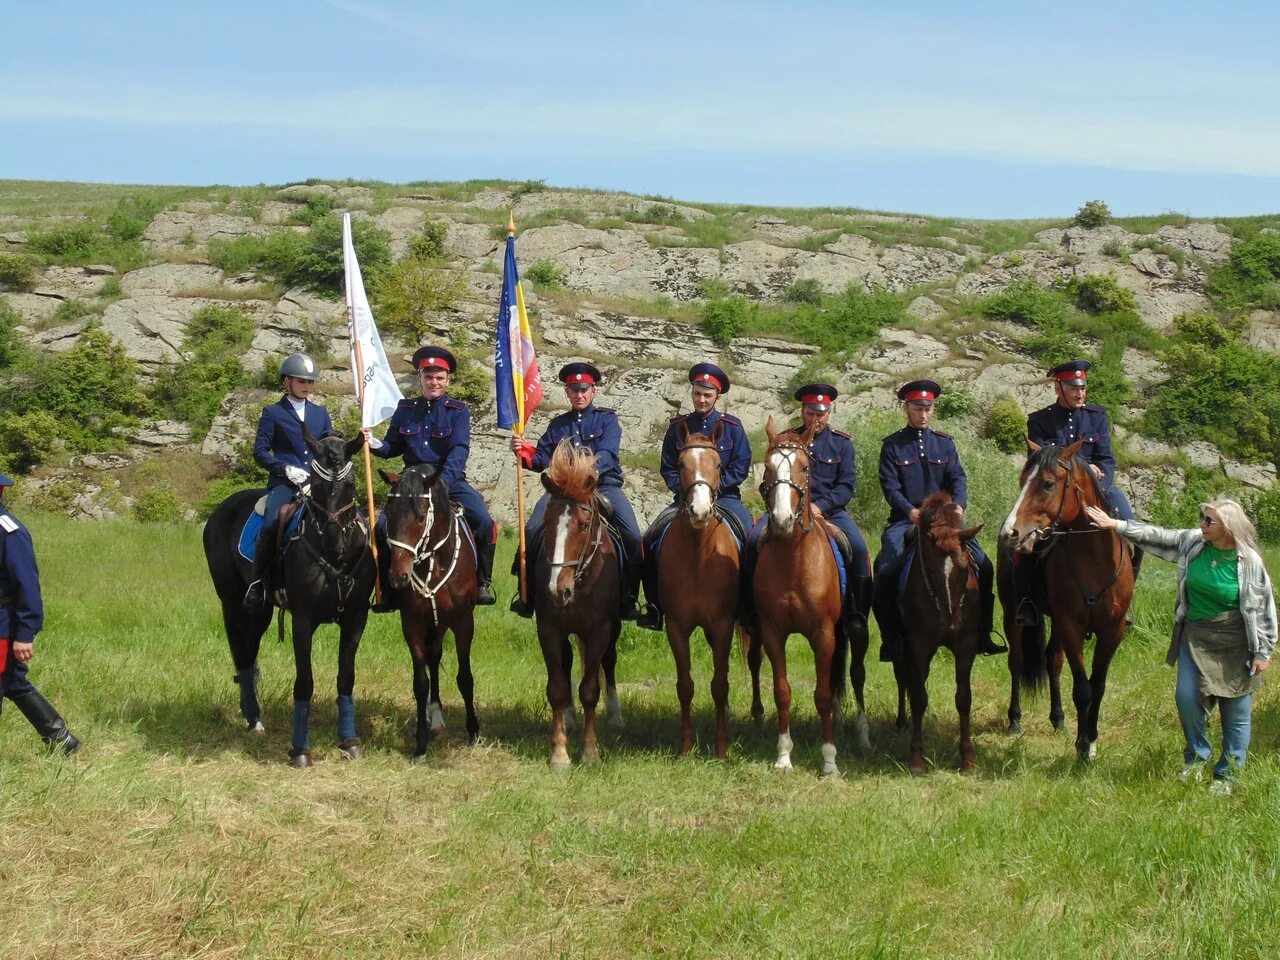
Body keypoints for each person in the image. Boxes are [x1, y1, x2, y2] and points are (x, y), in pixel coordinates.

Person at [1086, 499, 1274, 795]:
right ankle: (1197, 757)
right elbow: (1158, 536)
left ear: (1228, 527)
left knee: (1235, 710)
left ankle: (1228, 775)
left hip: (1236, 640)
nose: (1202, 524)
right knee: (1186, 697)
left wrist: (1263, 651)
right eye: (1202, 517)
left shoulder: (1249, 561)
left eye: (1209, 520)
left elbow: (1264, 607)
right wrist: (1116, 525)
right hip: (1195, 636)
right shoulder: (1193, 543)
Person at [873, 379, 1004, 661]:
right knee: (886, 569)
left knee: (984, 565)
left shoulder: (945, 444)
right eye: (917, 409)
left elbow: (958, 478)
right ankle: (891, 637)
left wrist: (959, 507)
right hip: (907, 521)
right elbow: (890, 486)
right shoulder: (893, 446)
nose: (923, 414)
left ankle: (984, 631)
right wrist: (910, 511)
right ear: (906, 408)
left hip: (947, 522)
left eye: (928, 409)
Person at [508, 362, 643, 619]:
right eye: (574, 390)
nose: (579, 395)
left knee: (633, 536)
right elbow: (540, 459)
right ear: (567, 392)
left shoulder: (607, 420)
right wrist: (522, 450)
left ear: (593, 391)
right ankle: (527, 595)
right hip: (562, 492)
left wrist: (584, 474)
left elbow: (607, 455)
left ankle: (629, 597)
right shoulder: (558, 425)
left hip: (602, 486)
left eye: (584, 390)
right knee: (532, 529)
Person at [365, 345, 498, 606]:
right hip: (411, 481)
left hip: (446, 479)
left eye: (439, 377)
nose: (433, 382)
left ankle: (482, 582)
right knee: (381, 527)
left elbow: (459, 451)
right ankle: (387, 590)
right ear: (420, 378)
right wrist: (374, 443)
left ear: (447, 380)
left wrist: (442, 484)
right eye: (428, 377)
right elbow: (392, 447)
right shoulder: (405, 408)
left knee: (483, 521)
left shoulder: (458, 411)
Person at [1015, 358, 1141, 625]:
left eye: (1082, 387)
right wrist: (1083, 468)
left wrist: (1097, 482)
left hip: (1097, 491)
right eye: (1073, 388)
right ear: (1058, 388)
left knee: (1134, 532)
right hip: (1054, 494)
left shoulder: (1096, 416)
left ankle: (1124, 598)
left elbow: (1106, 459)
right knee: (1026, 540)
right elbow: (1039, 463)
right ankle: (1028, 600)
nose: (1080, 393)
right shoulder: (1040, 421)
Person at [744, 383, 872, 629]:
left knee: (857, 547)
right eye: (811, 413)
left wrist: (819, 507)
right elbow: (766, 482)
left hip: (831, 512)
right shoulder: (785, 440)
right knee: (751, 542)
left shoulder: (841, 444)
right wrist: (775, 502)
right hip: (786, 509)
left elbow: (846, 486)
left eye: (821, 414)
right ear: (802, 411)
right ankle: (750, 609)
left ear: (829, 413)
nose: (815, 419)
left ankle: (857, 614)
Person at [636, 363, 753, 630]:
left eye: (707, 395)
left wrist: (712, 491)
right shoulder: (678, 427)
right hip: (685, 499)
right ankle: (654, 607)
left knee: (752, 539)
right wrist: (687, 492)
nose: (701, 399)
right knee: (648, 539)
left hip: (725, 499)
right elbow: (668, 467)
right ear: (692, 393)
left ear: (717, 396)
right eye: (697, 393)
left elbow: (740, 466)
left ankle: (749, 607)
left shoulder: (732, 427)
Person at [244, 353, 334, 609]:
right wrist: (284, 468)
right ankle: (258, 583)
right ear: (287, 381)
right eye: (301, 381)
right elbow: (260, 452)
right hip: (285, 483)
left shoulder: (320, 413)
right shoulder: (273, 413)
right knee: (271, 524)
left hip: (315, 482)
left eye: (310, 382)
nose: (307, 386)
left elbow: (328, 444)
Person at [0, 474, 81, 754]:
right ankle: (62, 740)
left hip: (3, 623)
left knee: (9, 680)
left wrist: (25, 633)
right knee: (13, 681)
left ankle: (61, 740)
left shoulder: (10, 532)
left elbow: (27, 585)